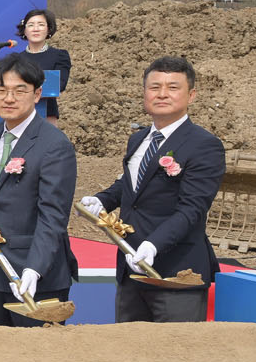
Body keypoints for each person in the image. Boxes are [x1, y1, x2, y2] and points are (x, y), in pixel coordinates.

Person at [81, 55, 225, 324]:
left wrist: (153, 244)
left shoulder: (205, 145)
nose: (162, 94)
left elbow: (193, 208)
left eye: (173, 87)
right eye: (154, 87)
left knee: (174, 349)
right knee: (129, 347)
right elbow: (131, 185)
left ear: (191, 95)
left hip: (176, 273)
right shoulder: (138, 139)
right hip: (131, 268)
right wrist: (102, 200)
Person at [0, 52, 77, 327]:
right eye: (1, 90)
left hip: (36, 273)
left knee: (35, 351)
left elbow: (53, 216)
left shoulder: (54, 145)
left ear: (37, 94)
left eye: (19, 90)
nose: (8, 98)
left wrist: (34, 268)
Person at [16, 8, 71, 121]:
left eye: (41, 25)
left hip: (47, 114)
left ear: (48, 29)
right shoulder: (16, 59)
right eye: (31, 25)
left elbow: (59, 85)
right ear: (24, 30)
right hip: (19, 113)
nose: (36, 29)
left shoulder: (59, 55)